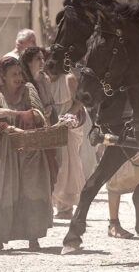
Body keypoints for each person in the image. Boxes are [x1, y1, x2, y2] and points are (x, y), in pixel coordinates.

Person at [0, 57, 53, 251]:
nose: (19, 78)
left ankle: (33, 236)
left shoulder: (28, 89)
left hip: (29, 146)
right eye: (14, 74)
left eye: (20, 73)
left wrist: (12, 115)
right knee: (3, 190)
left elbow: (40, 115)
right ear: (2, 77)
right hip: (5, 150)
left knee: (32, 190)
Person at [49, 65, 86, 219]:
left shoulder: (68, 79)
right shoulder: (42, 81)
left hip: (70, 125)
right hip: (50, 126)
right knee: (53, 163)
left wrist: (66, 118)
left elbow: (79, 102)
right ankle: (53, 204)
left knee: (67, 165)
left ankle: (66, 207)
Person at [20, 47, 58, 188]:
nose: (42, 61)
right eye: (38, 59)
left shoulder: (45, 78)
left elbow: (51, 102)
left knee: (51, 167)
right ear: (29, 62)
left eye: (43, 58)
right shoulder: (24, 83)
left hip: (48, 125)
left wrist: (49, 111)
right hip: (31, 129)